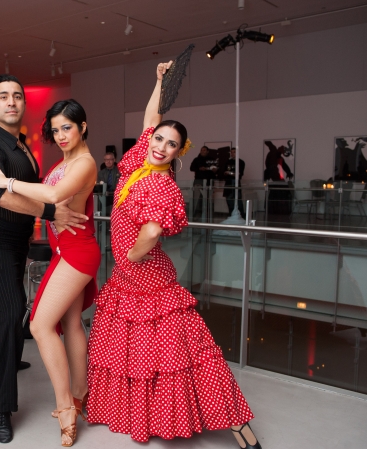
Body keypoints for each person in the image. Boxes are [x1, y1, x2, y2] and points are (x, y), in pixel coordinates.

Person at [87, 62, 262, 449]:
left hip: (147, 278)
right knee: (138, 351)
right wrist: (159, 82)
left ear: (178, 152)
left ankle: (237, 425)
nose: (160, 145)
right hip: (130, 278)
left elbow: (152, 230)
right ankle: (142, 415)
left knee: (182, 353)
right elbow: (152, 116)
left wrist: (130, 255)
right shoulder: (136, 163)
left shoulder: (163, 186)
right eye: (159, 139)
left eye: (169, 144)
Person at [0, 99, 99, 446]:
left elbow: (53, 194)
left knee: (39, 324)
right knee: (71, 323)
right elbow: (51, 204)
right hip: (67, 249)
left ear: (83, 127)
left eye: (68, 128)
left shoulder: (86, 163)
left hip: (77, 252)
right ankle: (80, 394)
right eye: (56, 129)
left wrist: (9, 183)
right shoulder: (69, 160)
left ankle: (65, 409)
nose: (61, 135)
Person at [189, 145, 217, 220]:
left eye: (204, 150)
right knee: (196, 198)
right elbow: (191, 168)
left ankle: (207, 215)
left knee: (207, 198)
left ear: (207, 151)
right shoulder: (196, 159)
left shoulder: (211, 159)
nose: (202, 151)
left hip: (208, 181)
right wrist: (199, 168)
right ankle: (194, 215)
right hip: (199, 180)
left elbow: (215, 169)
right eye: (201, 150)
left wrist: (212, 169)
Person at [222, 147, 246, 217]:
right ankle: (231, 215)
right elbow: (224, 172)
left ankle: (241, 215)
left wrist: (230, 173)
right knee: (229, 199)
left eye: (234, 152)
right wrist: (229, 173)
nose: (232, 153)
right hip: (228, 183)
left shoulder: (241, 162)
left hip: (235, 183)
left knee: (237, 200)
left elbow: (239, 174)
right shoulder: (227, 162)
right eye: (231, 152)